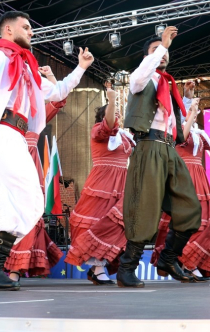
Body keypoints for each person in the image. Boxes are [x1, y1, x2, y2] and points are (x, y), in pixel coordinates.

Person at [0, 0, 93, 291]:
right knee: (9, 206)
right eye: (26, 27)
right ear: (8, 31)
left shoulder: (29, 68)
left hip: (17, 136)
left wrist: (80, 68)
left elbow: (55, 92)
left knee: (32, 204)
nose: (31, 32)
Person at [117, 27, 201, 289]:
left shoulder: (169, 84)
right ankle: (127, 268)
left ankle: (168, 258)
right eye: (155, 51)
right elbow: (142, 74)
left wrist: (186, 101)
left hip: (169, 149)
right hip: (149, 146)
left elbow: (173, 123)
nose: (162, 55)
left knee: (190, 207)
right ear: (146, 57)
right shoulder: (142, 78)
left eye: (164, 52)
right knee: (144, 208)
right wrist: (162, 45)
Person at [0, 93, 67, 281]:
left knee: (26, 216)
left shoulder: (35, 120)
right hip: (6, 166)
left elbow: (58, 99)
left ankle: (15, 271)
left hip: (27, 170)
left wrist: (53, 76)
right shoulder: (4, 117)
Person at [151, 104, 210, 281]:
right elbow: (180, 139)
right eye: (189, 111)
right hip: (183, 175)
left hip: (199, 178)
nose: (194, 114)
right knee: (185, 221)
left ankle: (192, 263)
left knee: (203, 223)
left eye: (195, 111)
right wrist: (190, 116)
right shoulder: (176, 129)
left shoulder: (200, 133)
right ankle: (184, 264)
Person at [65, 87, 135, 285]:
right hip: (103, 181)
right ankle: (97, 268)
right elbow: (109, 125)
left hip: (121, 182)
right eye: (113, 111)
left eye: (118, 111)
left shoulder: (123, 136)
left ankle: (101, 267)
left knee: (116, 225)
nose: (117, 115)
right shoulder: (99, 130)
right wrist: (112, 100)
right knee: (99, 222)